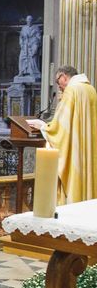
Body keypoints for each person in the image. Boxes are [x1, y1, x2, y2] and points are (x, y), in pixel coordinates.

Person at [28, 65, 97, 203]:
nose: (58, 86)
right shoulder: (91, 89)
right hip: (88, 148)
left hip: (75, 150)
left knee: (73, 186)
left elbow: (61, 127)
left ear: (64, 76)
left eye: (57, 80)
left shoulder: (71, 90)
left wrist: (43, 127)